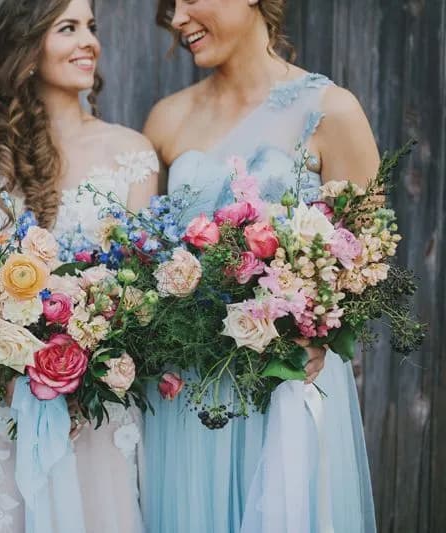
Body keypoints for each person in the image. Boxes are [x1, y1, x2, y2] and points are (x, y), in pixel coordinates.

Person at [141, 1, 378, 531]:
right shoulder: (166, 118)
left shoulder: (332, 112)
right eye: (170, 5)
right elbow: (149, 261)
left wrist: (317, 325)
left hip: (288, 385)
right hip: (193, 391)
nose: (177, 18)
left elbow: (368, 261)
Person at [0, 1, 158, 531]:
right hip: (0, 404)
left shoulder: (133, 153)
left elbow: (141, 290)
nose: (89, 42)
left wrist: (89, 360)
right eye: (68, 28)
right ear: (29, 49)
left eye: (92, 28)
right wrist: (10, 366)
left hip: (97, 406)